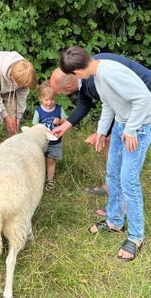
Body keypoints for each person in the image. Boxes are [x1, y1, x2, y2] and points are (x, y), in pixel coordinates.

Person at [59, 46, 151, 261]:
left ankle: (136, 236)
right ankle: (114, 221)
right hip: (121, 124)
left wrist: (131, 129)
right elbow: (109, 103)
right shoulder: (97, 74)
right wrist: (102, 131)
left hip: (137, 129)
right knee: (112, 173)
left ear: (77, 73)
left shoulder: (110, 72)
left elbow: (144, 98)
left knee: (128, 180)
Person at [50, 53, 151, 200]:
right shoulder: (85, 71)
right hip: (132, 101)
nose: (59, 95)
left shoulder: (95, 79)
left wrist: (102, 133)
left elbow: (114, 106)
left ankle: (117, 192)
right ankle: (112, 187)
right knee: (112, 138)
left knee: (115, 142)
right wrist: (65, 126)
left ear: (69, 84)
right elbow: (85, 104)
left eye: (59, 92)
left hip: (144, 95)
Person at [0, 51, 37, 153]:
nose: (23, 88)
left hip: (9, 87)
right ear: (13, 78)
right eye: (21, 86)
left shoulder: (26, 76)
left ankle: (9, 155)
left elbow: (22, 99)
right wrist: (6, 116)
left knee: (12, 124)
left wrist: (17, 118)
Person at [32, 81, 67, 190]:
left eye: (52, 99)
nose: (49, 102)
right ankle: (39, 180)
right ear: (40, 98)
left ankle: (50, 181)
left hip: (55, 142)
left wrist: (60, 121)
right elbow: (34, 126)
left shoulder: (59, 109)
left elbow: (66, 121)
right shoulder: (38, 111)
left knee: (51, 160)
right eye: (46, 99)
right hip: (42, 142)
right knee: (39, 160)